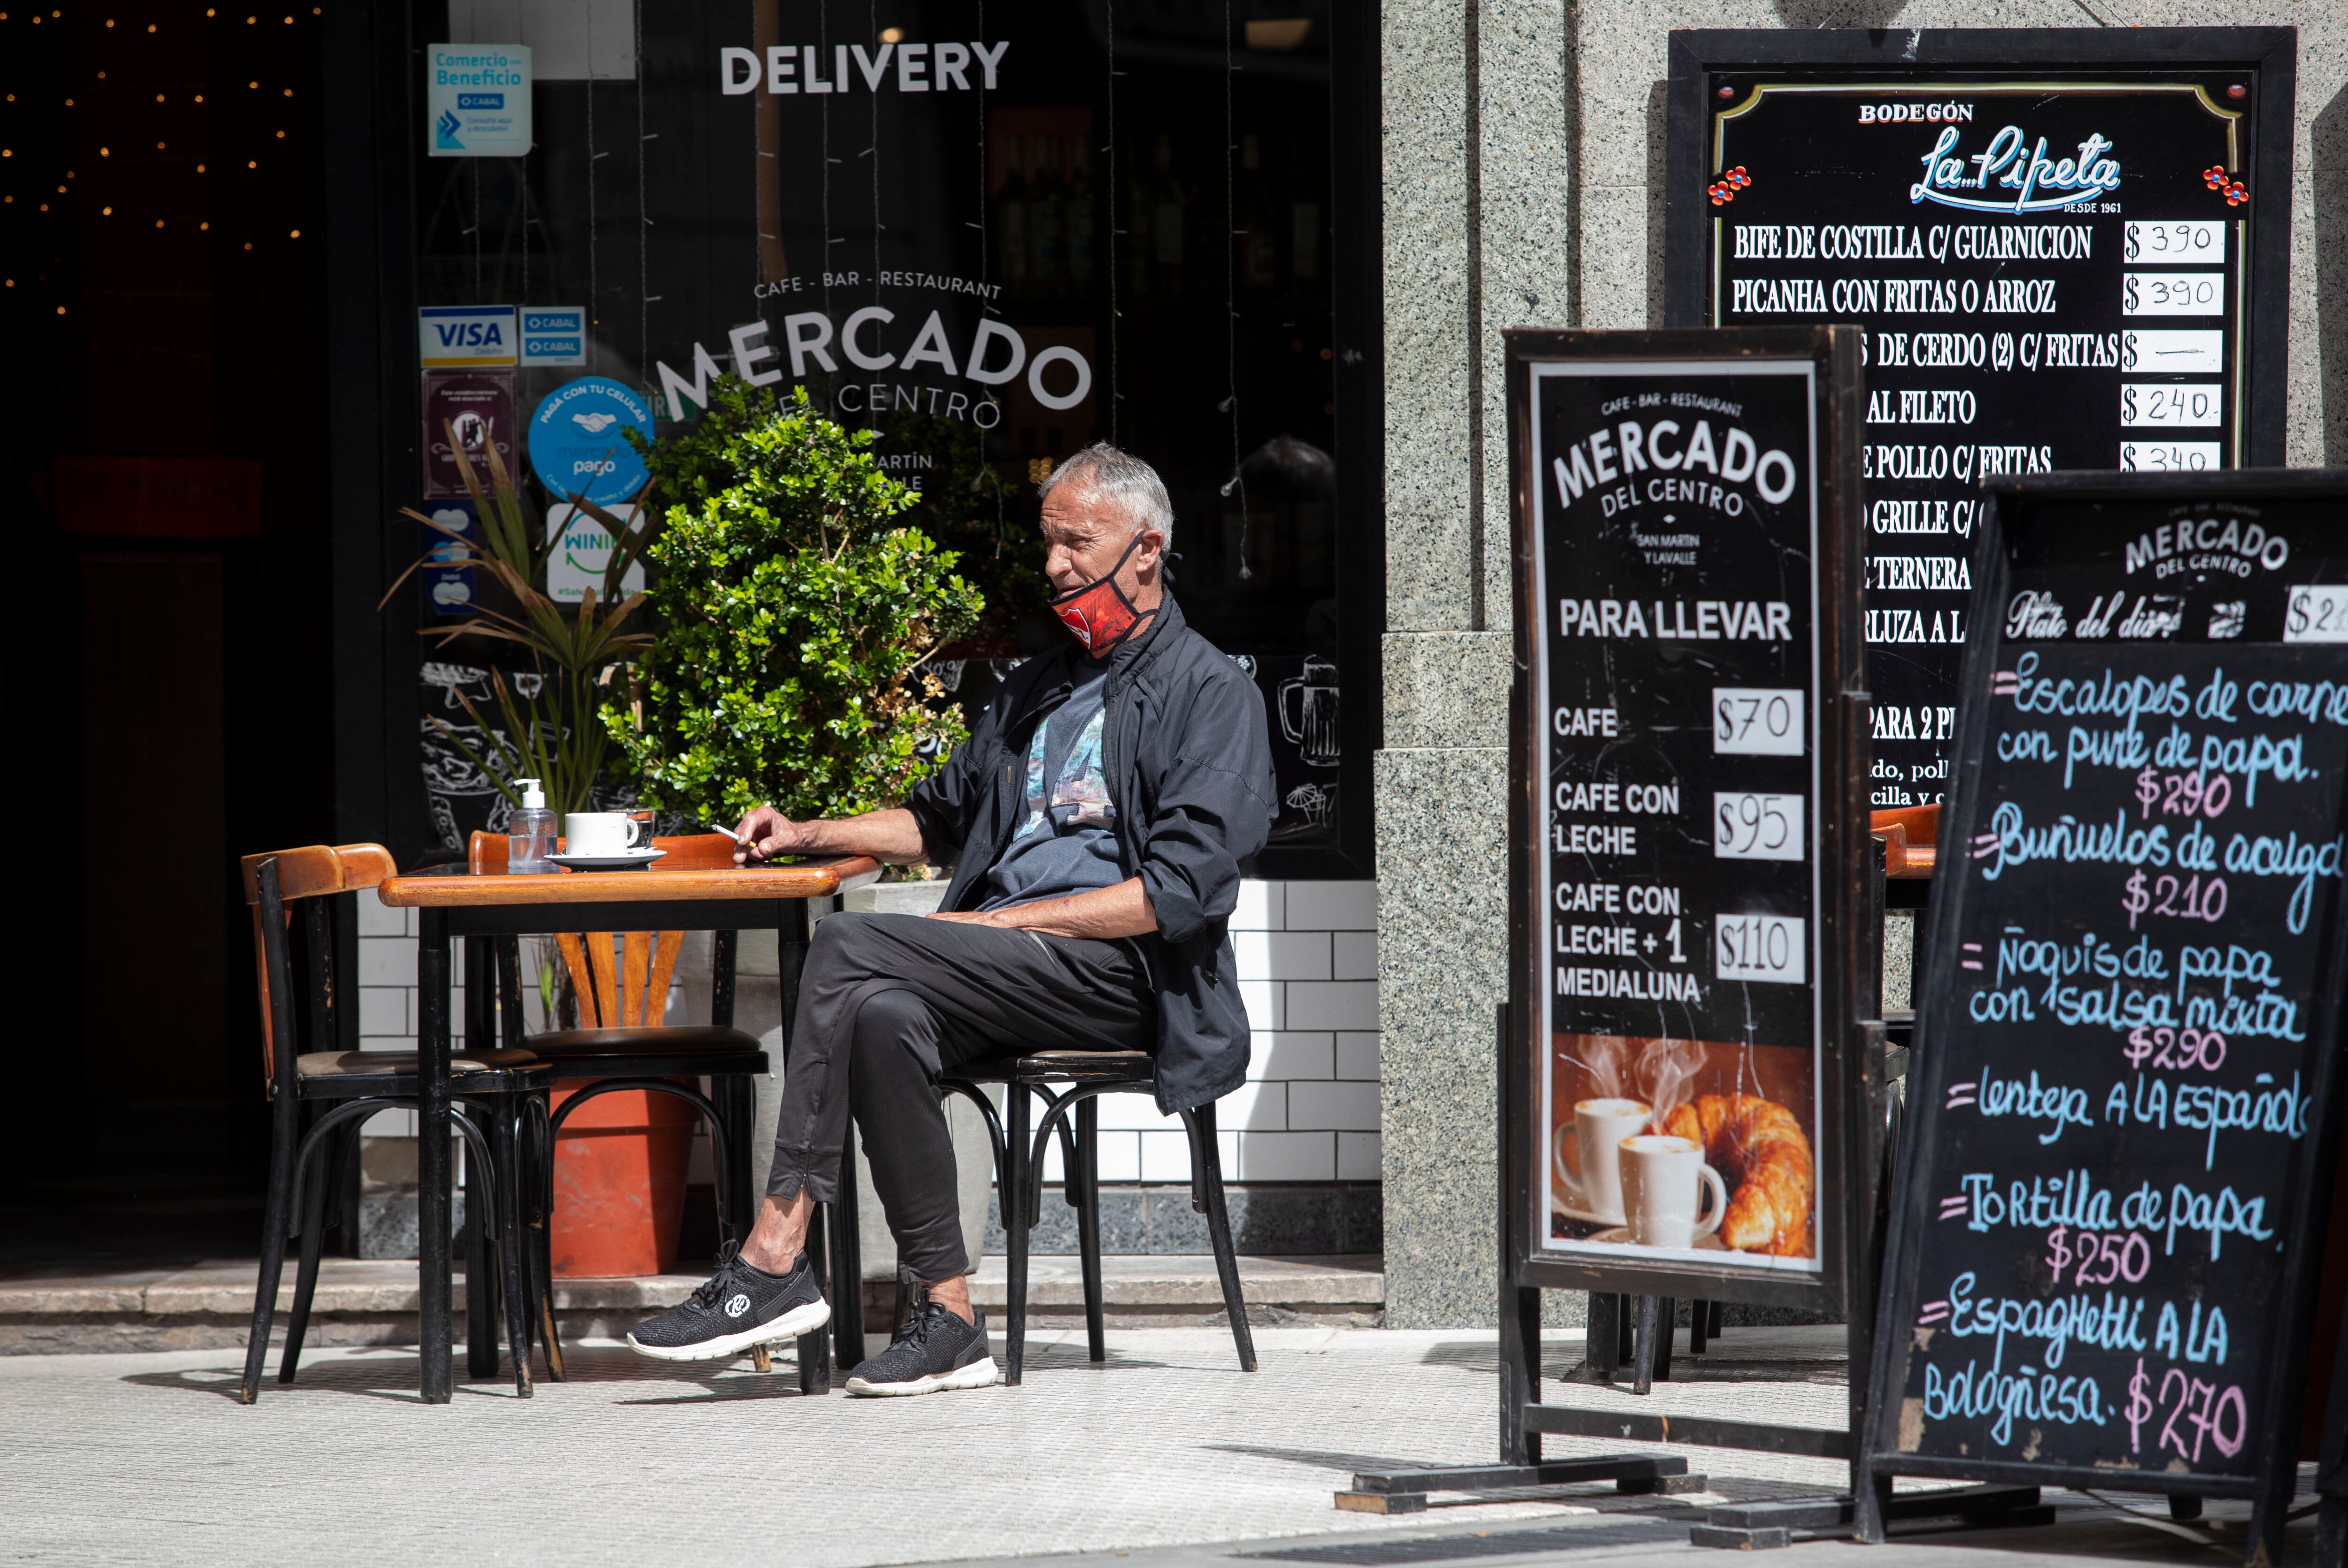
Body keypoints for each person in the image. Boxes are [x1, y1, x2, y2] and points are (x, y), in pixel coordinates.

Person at [625, 442, 1277, 1395]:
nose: (1054, 564)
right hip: (1014, 965)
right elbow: (936, 818)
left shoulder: (1212, 694)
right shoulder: (1040, 687)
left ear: (1147, 549)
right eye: (1048, 542)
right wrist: (807, 830)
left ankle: (773, 1254)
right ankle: (951, 1318)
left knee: (846, 940)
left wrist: (1008, 928)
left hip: (1128, 978)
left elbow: (1174, 894)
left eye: (1076, 542)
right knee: (882, 1014)